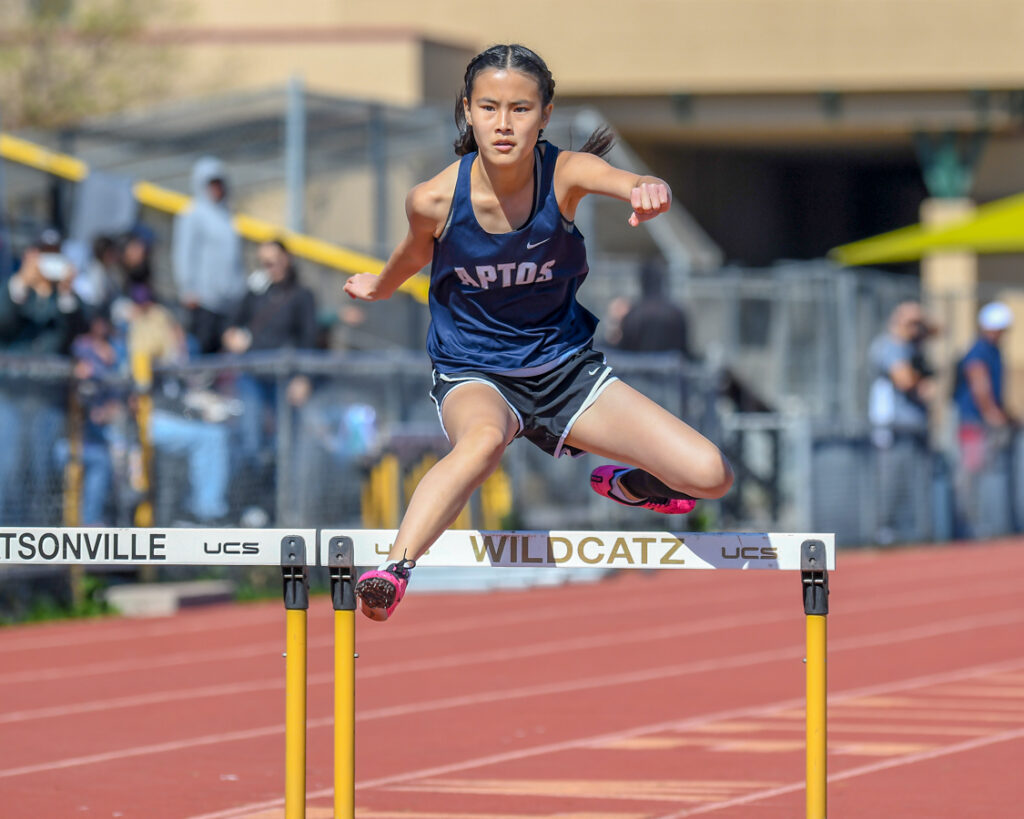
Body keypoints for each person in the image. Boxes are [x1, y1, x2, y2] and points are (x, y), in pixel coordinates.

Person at [343, 44, 733, 621]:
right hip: (476, 373)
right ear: (468, 112)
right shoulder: (431, 199)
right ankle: (393, 571)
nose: (504, 124)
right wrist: (379, 285)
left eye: (521, 109)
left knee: (711, 475)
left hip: (566, 373)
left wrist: (648, 189)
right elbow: (410, 254)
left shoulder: (564, 175)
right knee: (480, 445)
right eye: (490, 108)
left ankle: (627, 482)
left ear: (545, 114)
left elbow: (623, 178)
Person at [0, 230, 85, 524]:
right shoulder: (13, 289)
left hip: (47, 400)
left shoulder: (65, 299)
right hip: (10, 396)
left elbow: (68, 337)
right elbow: (5, 323)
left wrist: (64, 293)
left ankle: (36, 551)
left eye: (55, 254)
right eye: (43, 253)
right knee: (8, 469)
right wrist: (22, 282)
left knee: (42, 471)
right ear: (29, 255)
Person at [222, 239, 318, 465]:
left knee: (284, 442)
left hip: (283, 377)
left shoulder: (301, 295)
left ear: (287, 259)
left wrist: (304, 378)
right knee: (250, 438)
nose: (270, 267)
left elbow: (308, 338)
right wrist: (232, 336)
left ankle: (280, 494)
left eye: (274, 261)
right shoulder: (256, 291)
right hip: (253, 374)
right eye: (265, 263)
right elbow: (232, 322)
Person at [867, 301, 938, 543]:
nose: (916, 329)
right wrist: (924, 382)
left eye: (919, 324)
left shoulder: (912, 347)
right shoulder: (890, 346)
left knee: (917, 481)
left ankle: (913, 530)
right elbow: (905, 380)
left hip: (915, 426)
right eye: (911, 324)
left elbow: (939, 330)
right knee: (892, 480)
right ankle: (885, 530)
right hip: (894, 426)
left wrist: (923, 324)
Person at [952, 300, 1015, 536]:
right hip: (974, 423)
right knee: (972, 473)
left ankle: (983, 526)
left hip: (981, 421)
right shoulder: (979, 350)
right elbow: (979, 382)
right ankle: (969, 528)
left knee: (984, 471)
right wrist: (992, 413)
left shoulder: (993, 350)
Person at [172, 157, 246, 354]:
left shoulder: (227, 215)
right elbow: (184, 253)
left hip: (228, 302)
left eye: (219, 183)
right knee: (203, 352)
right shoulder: (192, 213)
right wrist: (188, 288)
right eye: (211, 183)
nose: (216, 188)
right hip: (204, 301)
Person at [616, 259, 693, 358]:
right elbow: (685, 350)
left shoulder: (633, 315)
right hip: (671, 371)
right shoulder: (676, 313)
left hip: (637, 371)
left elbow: (623, 351)